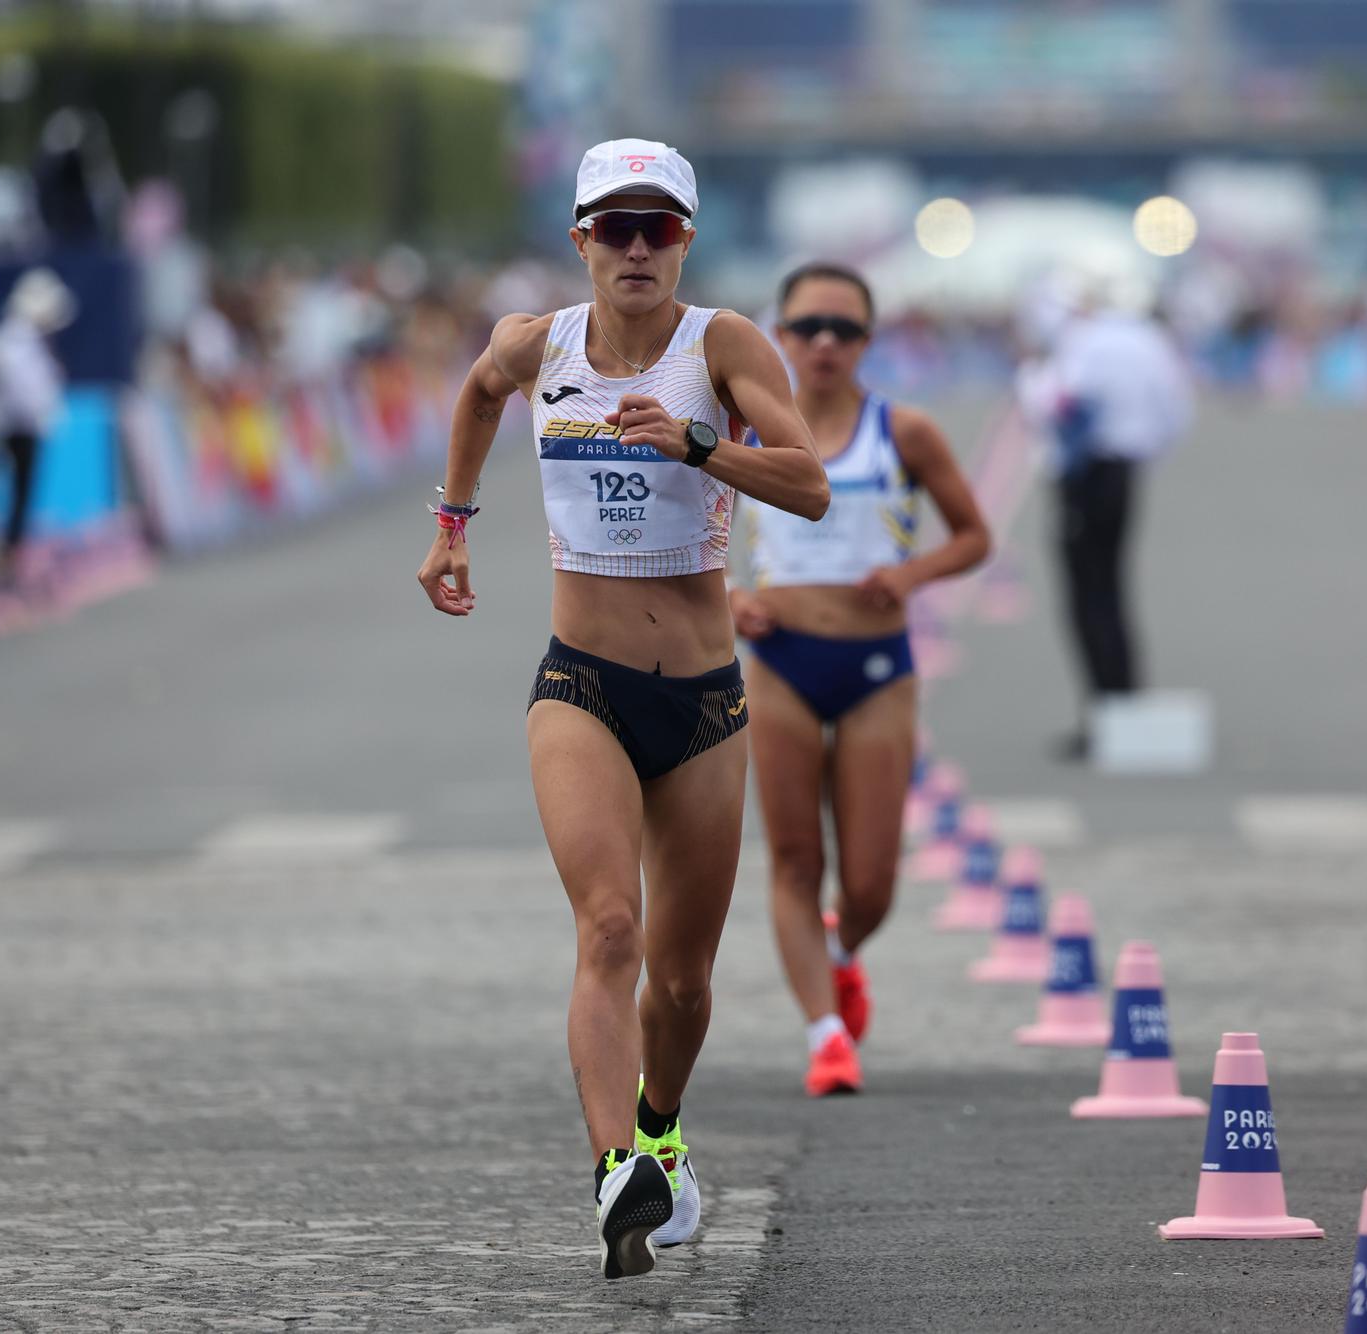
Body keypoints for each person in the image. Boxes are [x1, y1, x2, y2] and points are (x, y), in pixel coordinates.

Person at [414, 139, 827, 1280]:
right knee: (607, 927)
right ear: (580, 238)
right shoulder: (536, 344)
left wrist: (699, 440)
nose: (635, 247)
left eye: (657, 227)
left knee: (683, 980)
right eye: (613, 226)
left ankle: (659, 1126)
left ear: (684, 238)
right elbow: (475, 392)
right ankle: (617, 1171)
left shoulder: (722, 346)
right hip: (580, 683)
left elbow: (808, 480)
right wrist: (452, 524)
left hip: (701, 699)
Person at [730, 263, 990, 1096]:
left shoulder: (903, 433)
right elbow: (680, 539)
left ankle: (841, 954)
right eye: (808, 328)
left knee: (871, 880)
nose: (825, 344)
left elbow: (973, 537)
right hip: (780, 664)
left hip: (876, 667)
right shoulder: (739, 431)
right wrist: (730, 596)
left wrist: (910, 579)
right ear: (782, 336)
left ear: (870, 341)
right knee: (795, 859)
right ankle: (825, 1036)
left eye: (845, 330)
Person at [1017, 285, 1192, 759]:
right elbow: (1177, 408)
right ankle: (1124, 709)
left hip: (1087, 470)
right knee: (1113, 592)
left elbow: (1056, 403)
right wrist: (1146, 451)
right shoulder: (1144, 338)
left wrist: (1031, 374)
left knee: (1087, 598)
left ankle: (1107, 713)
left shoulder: (1080, 343)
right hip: (1125, 470)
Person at [0, 267, 76, 582]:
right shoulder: (16, 342)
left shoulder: (24, 340)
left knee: (20, 495)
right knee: (13, 493)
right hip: (15, 426)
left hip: (22, 425)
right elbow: (24, 391)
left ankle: (11, 552)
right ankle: (5, 554)